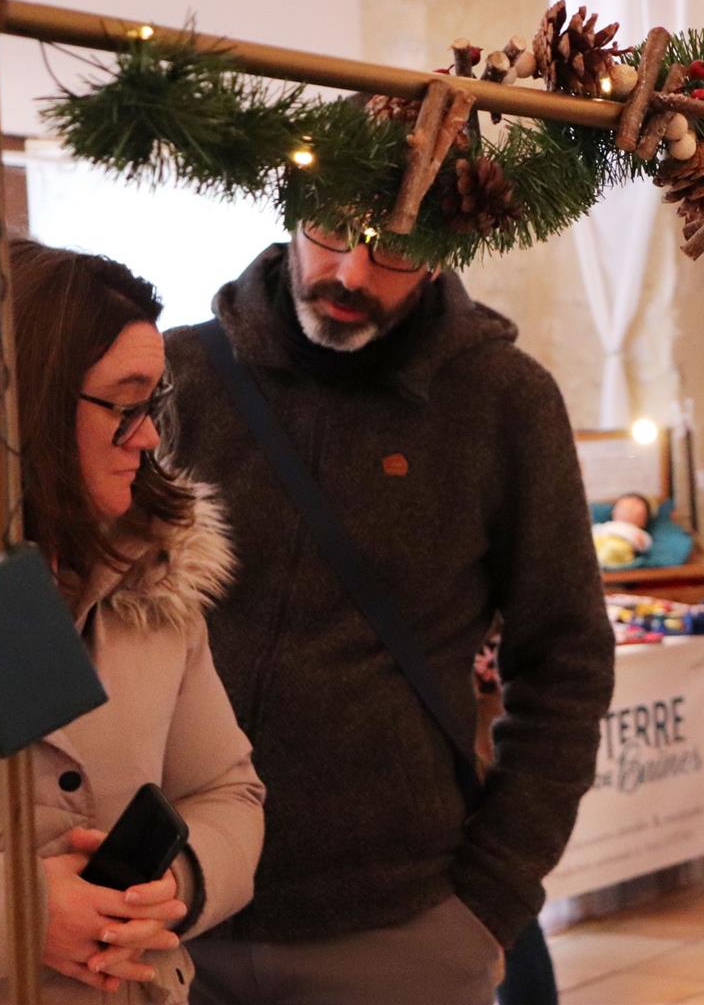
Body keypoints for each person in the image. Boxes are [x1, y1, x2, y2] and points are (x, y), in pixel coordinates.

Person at [162, 221, 614, 1004]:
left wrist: (491, 897)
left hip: (398, 923)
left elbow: (566, 659)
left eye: (396, 248)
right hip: (172, 902)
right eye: (332, 231)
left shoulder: (504, 399)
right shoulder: (180, 373)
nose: (351, 272)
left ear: (445, 251)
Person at [0, 239, 263, 1004]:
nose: (147, 437)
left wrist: (170, 885)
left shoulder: (152, 576)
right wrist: (18, 915)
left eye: (153, 406)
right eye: (124, 403)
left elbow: (226, 793)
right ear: (30, 401)